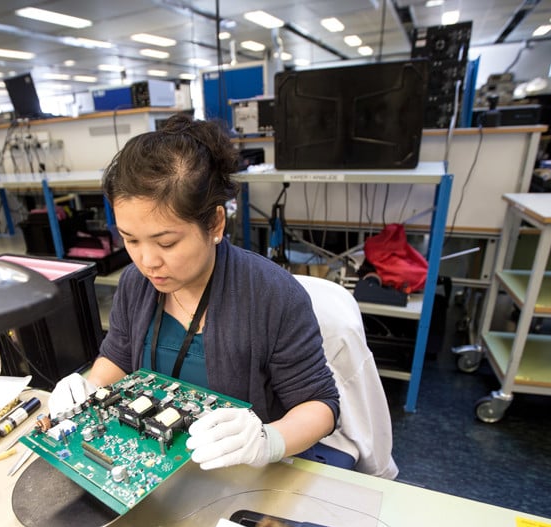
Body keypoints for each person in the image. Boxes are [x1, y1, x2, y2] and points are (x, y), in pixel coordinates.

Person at [48, 113, 339, 470]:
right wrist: (89, 386)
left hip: (241, 473)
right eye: (130, 240)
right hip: (152, 463)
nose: (147, 261)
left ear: (215, 223)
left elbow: (320, 405)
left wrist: (269, 441)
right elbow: (119, 357)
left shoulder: (272, 296)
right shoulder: (135, 284)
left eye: (166, 242)